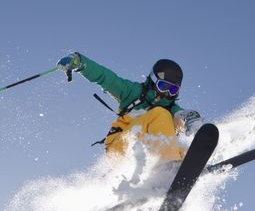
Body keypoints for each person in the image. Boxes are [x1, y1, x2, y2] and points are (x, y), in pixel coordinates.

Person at [57, 52, 203, 161]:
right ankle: (170, 166)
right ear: (153, 80)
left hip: (146, 155)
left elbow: (180, 116)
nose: (166, 93)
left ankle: (176, 175)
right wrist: (81, 63)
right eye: (163, 86)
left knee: (182, 151)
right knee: (160, 114)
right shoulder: (132, 91)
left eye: (172, 90)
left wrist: (190, 119)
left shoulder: (172, 108)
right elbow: (106, 77)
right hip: (120, 146)